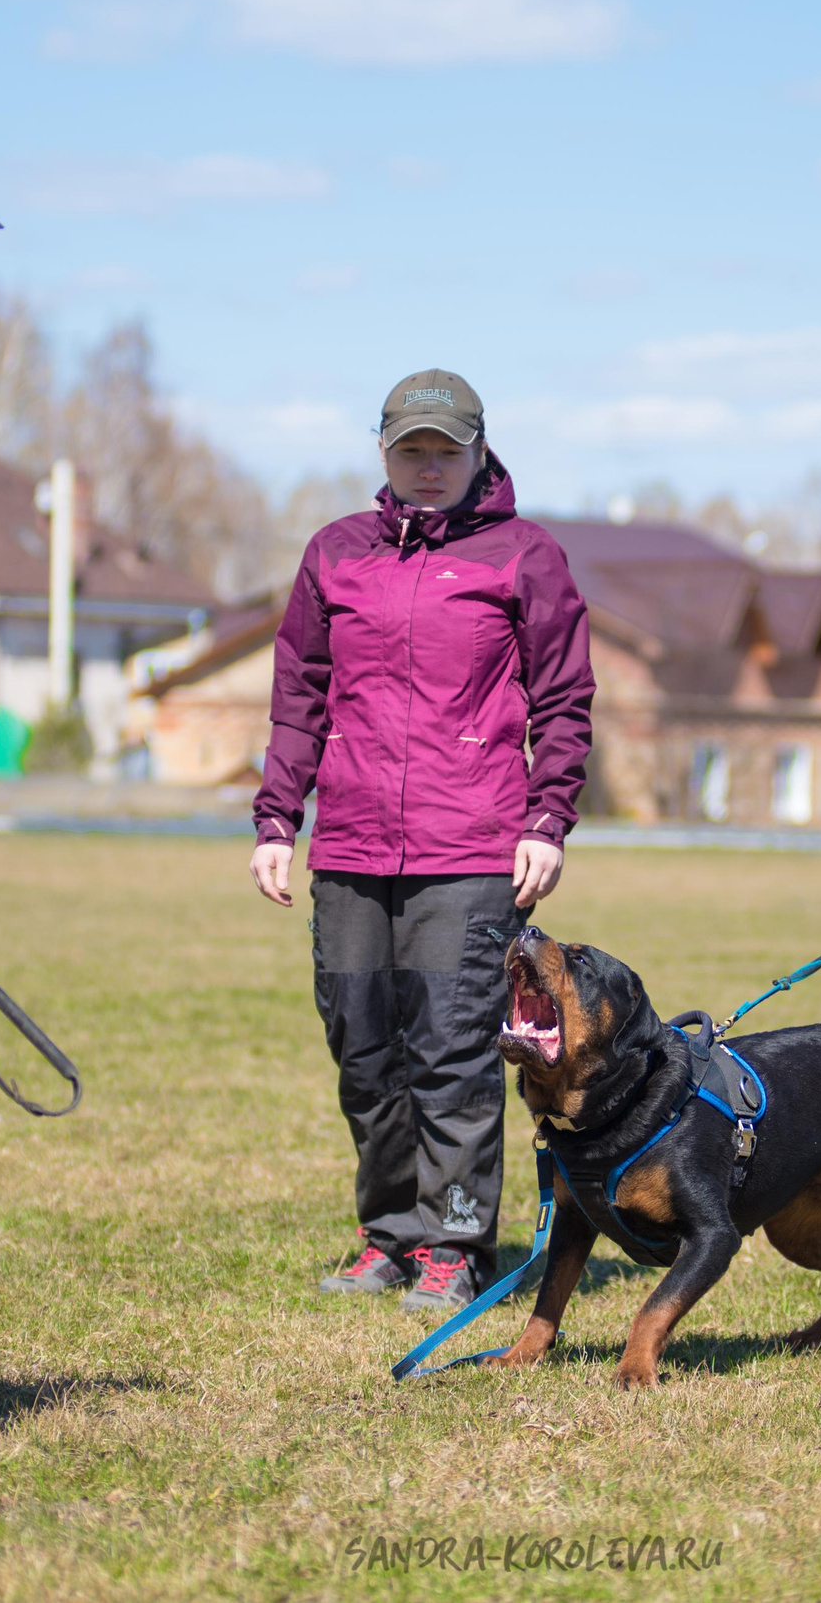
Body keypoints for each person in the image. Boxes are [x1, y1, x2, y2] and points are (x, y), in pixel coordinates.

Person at [250, 370, 595, 1316]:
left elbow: (564, 702)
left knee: (450, 1050)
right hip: (353, 846)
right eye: (413, 450)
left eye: (448, 450)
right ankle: (388, 1234)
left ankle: (452, 1243)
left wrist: (547, 818)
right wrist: (278, 817)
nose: (430, 467)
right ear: (383, 454)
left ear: (481, 451)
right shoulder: (335, 554)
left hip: (473, 844)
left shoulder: (525, 556)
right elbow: (299, 698)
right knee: (363, 1049)